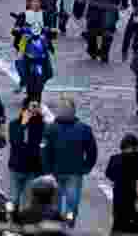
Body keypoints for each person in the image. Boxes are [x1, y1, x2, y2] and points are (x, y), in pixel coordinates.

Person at [41, 96, 98, 224]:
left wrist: (46, 169)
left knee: (57, 201)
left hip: (57, 171)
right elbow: (92, 151)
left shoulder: (50, 129)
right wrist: (86, 167)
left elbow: (44, 151)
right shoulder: (83, 129)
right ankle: (68, 220)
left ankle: (59, 222)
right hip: (73, 172)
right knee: (72, 201)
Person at [104, 134, 138, 227]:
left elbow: (109, 174)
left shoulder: (115, 159)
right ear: (136, 146)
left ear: (122, 146)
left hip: (121, 202)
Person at [9, 98, 47, 213]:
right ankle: (12, 220)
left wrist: (40, 118)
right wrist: (23, 125)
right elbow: (15, 142)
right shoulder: (14, 124)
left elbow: (44, 143)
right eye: (31, 108)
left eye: (36, 107)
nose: (33, 112)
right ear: (23, 110)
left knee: (28, 200)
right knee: (14, 198)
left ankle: (23, 224)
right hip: (17, 167)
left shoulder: (41, 125)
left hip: (32, 168)